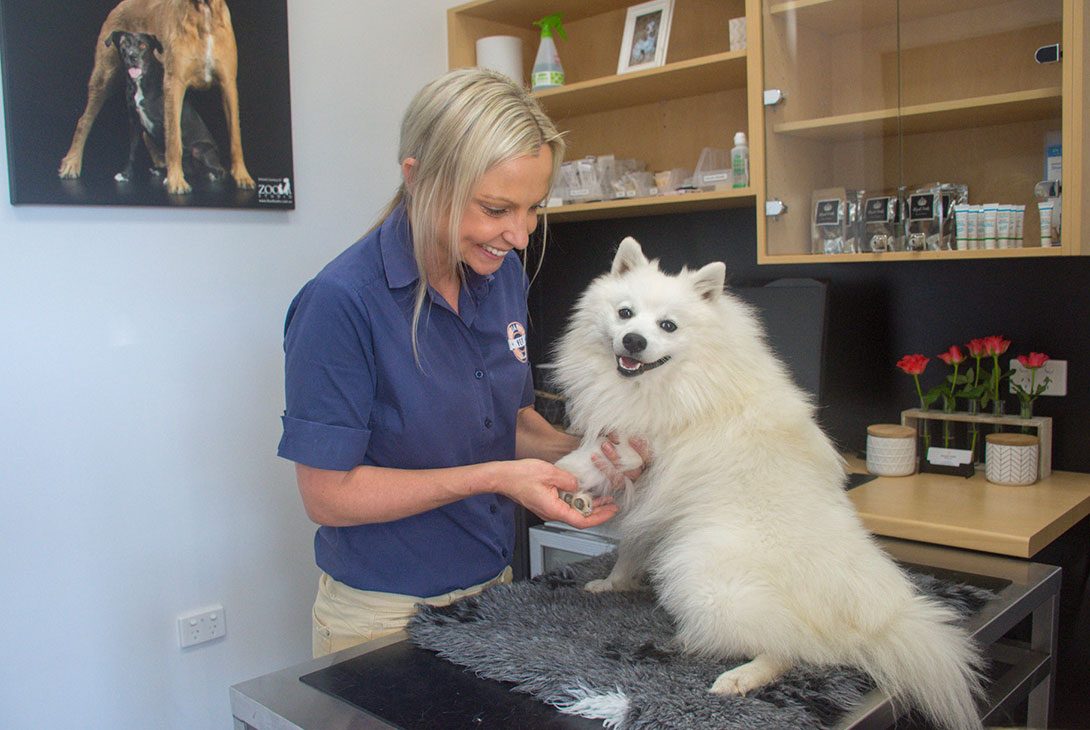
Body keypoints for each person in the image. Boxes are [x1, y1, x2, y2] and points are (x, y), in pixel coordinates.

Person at [277, 68, 647, 657]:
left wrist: (594, 451)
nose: (520, 235)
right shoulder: (341, 302)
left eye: (533, 208)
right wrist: (495, 478)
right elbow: (328, 496)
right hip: (384, 619)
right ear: (418, 178)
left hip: (493, 593)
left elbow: (511, 423)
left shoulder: (500, 276)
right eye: (497, 209)